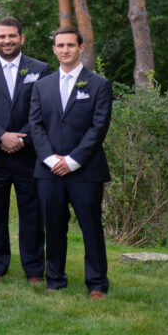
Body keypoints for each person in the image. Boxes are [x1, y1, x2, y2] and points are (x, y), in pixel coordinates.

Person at [29, 26, 113, 299]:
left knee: (91, 227)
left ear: (81, 48)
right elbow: (36, 125)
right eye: (60, 45)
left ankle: (97, 283)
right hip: (49, 170)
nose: (65, 50)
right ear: (54, 49)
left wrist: (73, 160)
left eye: (70, 45)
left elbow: (98, 128)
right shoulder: (41, 86)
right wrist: (52, 159)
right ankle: (55, 278)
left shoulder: (99, 85)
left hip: (86, 170)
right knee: (53, 226)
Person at [0, 17, 50, 284]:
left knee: (32, 215)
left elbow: (43, 111)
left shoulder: (41, 69)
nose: (7, 41)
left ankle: (34, 269)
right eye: (2, 37)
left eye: (12, 36)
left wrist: (21, 139)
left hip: (29, 157)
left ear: (21, 38)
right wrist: (2, 136)